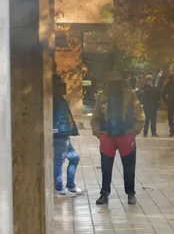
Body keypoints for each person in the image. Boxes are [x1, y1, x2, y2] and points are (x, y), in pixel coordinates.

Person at [92, 71, 144, 205]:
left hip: (125, 136)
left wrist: (133, 133)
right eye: (111, 83)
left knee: (129, 167)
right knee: (106, 167)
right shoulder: (102, 96)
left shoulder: (130, 96)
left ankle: (130, 194)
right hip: (107, 136)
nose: (113, 85)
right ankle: (104, 194)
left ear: (121, 83)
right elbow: (95, 117)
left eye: (116, 83)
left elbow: (140, 116)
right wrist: (100, 134)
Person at [52, 75, 81, 197]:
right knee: (59, 161)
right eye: (58, 85)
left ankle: (71, 185)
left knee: (74, 158)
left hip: (64, 134)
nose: (62, 87)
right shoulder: (52, 100)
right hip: (59, 134)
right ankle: (59, 189)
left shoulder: (59, 98)